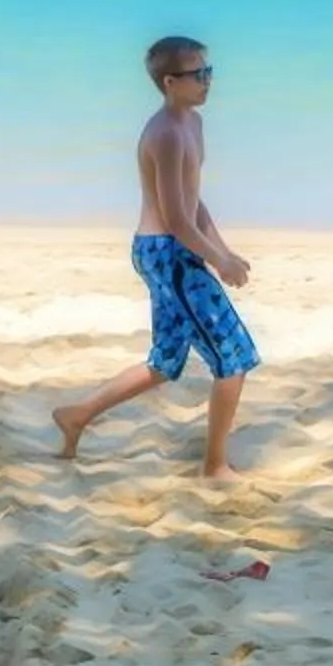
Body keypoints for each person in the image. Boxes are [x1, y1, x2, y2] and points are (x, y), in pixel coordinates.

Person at [52, 37, 257, 478]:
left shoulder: (194, 124)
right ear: (169, 82)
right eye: (197, 74)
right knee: (234, 357)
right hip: (167, 253)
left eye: (209, 71)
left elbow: (195, 203)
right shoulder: (164, 134)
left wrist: (224, 250)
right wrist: (218, 263)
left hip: (175, 250)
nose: (208, 81)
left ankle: (77, 415)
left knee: (165, 361)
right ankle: (215, 466)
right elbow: (177, 219)